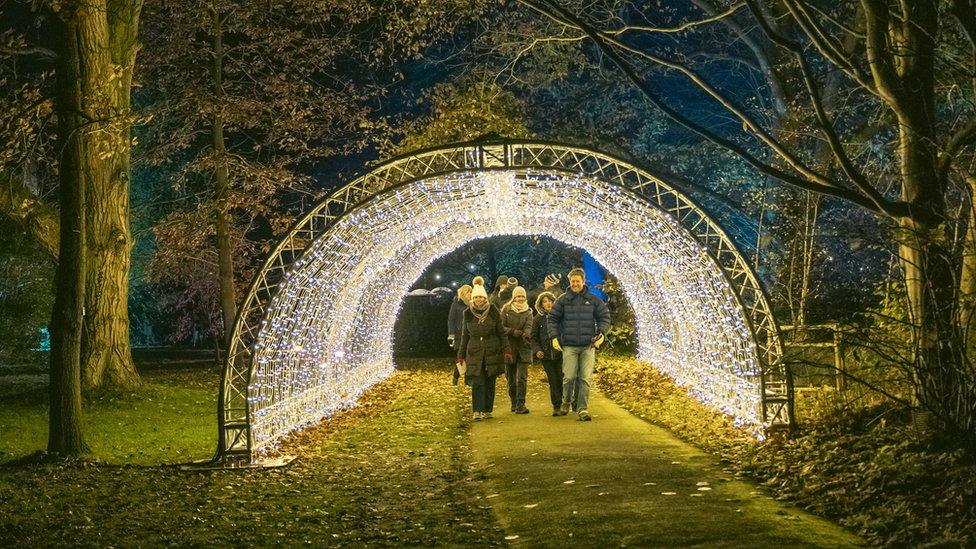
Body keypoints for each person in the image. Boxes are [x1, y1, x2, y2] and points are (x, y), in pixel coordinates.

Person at [548, 268, 611, 421]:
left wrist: (602, 333)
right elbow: (552, 319)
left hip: (588, 345)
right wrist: (554, 337)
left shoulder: (594, 300)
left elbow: (604, 317)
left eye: (578, 281)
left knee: (585, 378)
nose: (575, 283)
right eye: (572, 281)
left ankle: (582, 408)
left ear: (583, 281)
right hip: (569, 345)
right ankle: (566, 402)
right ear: (569, 282)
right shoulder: (562, 300)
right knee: (569, 377)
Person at [457, 283, 512, 420]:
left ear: (486, 298)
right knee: (477, 381)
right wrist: (460, 355)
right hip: (474, 351)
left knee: (489, 381)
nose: (479, 300)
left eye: (482, 297)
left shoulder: (493, 311)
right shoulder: (468, 313)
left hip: (492, 350)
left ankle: (487, 409)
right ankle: (477, 410)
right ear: (473, 299)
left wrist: (507, 350)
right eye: (477, 297)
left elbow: (501, 333)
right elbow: (465, 336)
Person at [500, 286, 533, 414]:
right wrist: (513, 332)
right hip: (509, 347)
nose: (520, 299)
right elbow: (501, 327)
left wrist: (526, 334)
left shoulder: (528, 312)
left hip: (524, 348)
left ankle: (521, 404)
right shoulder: (506, 310)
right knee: (511, 379)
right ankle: (513, 402)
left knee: (522, 378)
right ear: (514, 297)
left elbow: (529, 326)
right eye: (518, 296)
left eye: (522, 296)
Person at [532, 291, 562, 415]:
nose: (548, 303)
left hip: (561, 353)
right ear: (541, 305)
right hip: (546, 355)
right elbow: (533, 338)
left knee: (562, 378)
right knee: (553, 380)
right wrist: (537, 350)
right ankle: (556, 405)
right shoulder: (537, 319)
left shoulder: (560, 316)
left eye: (550, 300)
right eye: (545, 302)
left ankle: (567, 400)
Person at [447, 284, 472, 385]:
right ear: (462, 293)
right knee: (461, 358)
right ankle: (456, 376)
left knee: (469, 357)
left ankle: (468, 380)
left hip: (470, 334)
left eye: (471, 291)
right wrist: (451, 334)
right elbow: (451, 320)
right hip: (459, 336)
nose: (470, 294)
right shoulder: (456, 304)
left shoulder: (472, 304)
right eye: (467, 292)